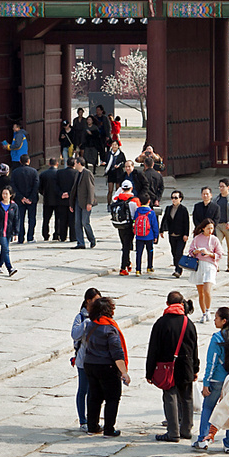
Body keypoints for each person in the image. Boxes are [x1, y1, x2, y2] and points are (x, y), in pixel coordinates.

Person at [145, 290, 199, 443]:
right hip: (186, 366)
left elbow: (153, 349)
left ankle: (173, 432)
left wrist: (149, 372)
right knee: (187, 398)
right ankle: (186, 430)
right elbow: (194, 348)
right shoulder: (188, 323)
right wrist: (195, 368)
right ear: (182, 304)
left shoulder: (161, 323)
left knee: (170, 397)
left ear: (167, 304)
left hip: (167, 367)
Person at [194, 307, 229, 451]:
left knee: (208, 408)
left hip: (217, 379)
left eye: (216, 318)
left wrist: (206, 383)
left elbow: (212, 363)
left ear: (223, 321)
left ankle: (203, 439)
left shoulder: (217, 338)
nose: (214, 321)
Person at [78, 295, 129, 437]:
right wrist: (124, 372)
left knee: (94, 396)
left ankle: (92, 426)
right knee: (112, 398)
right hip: (107, 367)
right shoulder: (109, 329)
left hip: (90, 365)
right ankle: (109, 429)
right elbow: (117, 353)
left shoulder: (91, 325)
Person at [70, 288, 102, 432]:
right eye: (96, 300)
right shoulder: (81, 318)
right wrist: (87, 323)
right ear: (88, 301)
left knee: (95, 391)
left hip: (98, 360)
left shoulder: (101, 315)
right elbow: (74, 335)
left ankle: (93, 420)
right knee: (83, 389)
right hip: (83, 359)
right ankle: (83, 421)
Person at [184, 220, 222, 323]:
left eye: (212, 228)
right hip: (199, 265)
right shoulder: (197, 238)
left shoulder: (214, 239)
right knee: (200, 292)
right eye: (208, 228)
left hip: (210, 266)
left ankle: (208, 310)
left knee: (207, 289)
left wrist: (209, 253)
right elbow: (190, 251)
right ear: (203, 228)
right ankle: (204, 313)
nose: (210, 230)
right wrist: (195, 252)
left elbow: (219, 254)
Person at [109, 180, 139, 275]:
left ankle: (127, 262)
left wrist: (119, 190)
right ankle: (123, 268)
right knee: (126, 246)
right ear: (131, 188)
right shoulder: (135, 200)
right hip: (129, 225)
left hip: (119, 225)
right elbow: (137, 213)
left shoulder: (117, 199)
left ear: (122, 189)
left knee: (124, 244)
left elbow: (114, 196)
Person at [10, 154, 39, 242]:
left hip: (19, 200)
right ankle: (30, 237)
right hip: (32, 200)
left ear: (20, 161)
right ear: (28, 161)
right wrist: (30, 198)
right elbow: (36, 185)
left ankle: (21, 238)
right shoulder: (34, 171)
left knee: (20, 218)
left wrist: (21, 197)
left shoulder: (15, 172)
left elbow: (13, 186)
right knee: (32, 218)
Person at [160, 190, 191, 274]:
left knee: (179, 252)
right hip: (172, 234)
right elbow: (164, 219)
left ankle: (178, 270)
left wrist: (186, 234)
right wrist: (161, 230)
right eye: (172, 198)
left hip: (181, 235)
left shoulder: (183, 209)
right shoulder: (168, 208)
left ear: (180, 199)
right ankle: (177, 266)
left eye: (176, 198)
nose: (174, 200)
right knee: (173, 252)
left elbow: (186, 223)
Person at [70, 157, 97, 250]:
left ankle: (92, 239)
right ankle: (80, 242)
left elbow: (91, 189)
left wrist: (90, 202)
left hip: (86, 201)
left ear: (79, 163)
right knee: (77, 222)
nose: (74, 164)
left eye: (75, 163)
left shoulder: (87, 173)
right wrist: (71, 203)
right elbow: (74, 189)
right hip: (77, 201)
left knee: (85, 222)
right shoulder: (77, 173)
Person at [213, 179, 229, 272]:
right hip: (218, 225)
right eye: (220, 186)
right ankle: (216, 265)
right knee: (217, 245)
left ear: (228, 187)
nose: (221, 188)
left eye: (223, 186)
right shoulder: (216, 199)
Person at [0, 186, 18, 276]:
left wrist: (16, 232)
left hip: (9, 231)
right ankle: (9, 268)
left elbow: (16, 219)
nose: (5, 195)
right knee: (6, 249)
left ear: (10, 195)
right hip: (0, 231)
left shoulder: (14, 206)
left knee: (4, 249)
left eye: (7, 193)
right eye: (3, 193)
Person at [39, 157, 65, 242]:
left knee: (46, 219)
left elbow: (39, 188)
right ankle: (56, 235)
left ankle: (45, 235)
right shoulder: (60, 174)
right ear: (57, 164)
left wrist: (44, 193)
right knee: (58, 218)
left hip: (47, 199)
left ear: (49, 164)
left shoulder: (43, 174)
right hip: (58, 200)